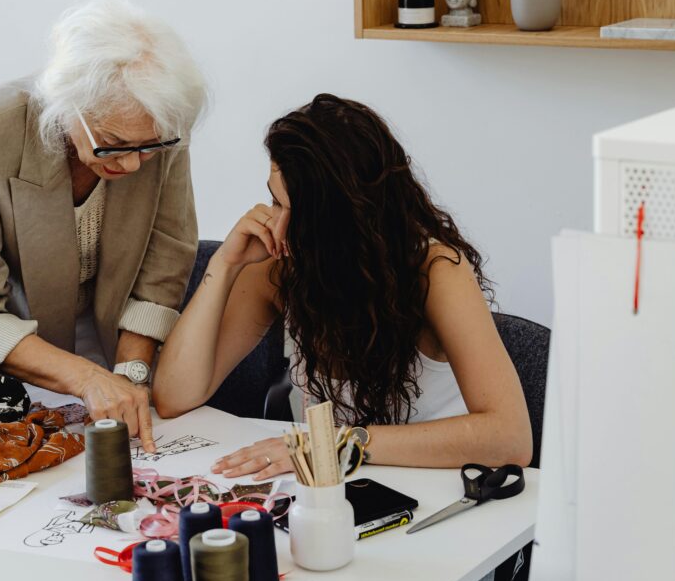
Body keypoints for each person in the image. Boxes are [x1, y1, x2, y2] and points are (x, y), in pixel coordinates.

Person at [153, 93, 532, 476]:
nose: (275, 223)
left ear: (338, 222)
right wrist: (225, 264)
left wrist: (335, 444)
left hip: (439, 488)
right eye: (273, 200)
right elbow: (173, 398)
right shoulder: (279, 269)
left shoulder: (436, 271)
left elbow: (509, 439)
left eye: (292, 211)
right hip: (330, 488)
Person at [0, 0, 207, 452]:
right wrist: (88, 378)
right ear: (68, 107)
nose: (131, 163)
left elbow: (164, 258)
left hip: (102, 329)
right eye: (112, 145)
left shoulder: (159, 127)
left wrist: (129, 375)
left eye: (147, 150)